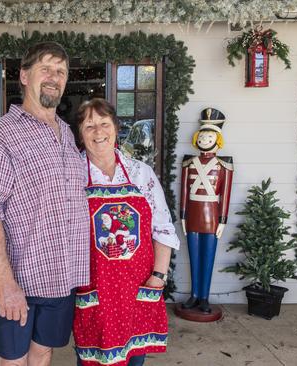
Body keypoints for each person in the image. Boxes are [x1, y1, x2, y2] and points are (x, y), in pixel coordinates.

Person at [0, 42, 90, 366]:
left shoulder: (66, 133)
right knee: (13, 361)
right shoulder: (2, 137)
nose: (54, 77)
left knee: (43, 353)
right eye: (45, 68)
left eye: (60, 71)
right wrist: (5, 283)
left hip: (61, 277)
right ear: (24, 75)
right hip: (19, 278)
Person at [73, 98, 180, 366]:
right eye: (89, 126)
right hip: (94, 287)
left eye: (104, 124)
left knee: (135, 357)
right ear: (80, 134)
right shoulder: (71, 174)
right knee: (91, 359)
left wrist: (159, 275)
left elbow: (163, 227)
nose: (98, 132)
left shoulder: (140, 173)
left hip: (137, 287)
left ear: (116, 128)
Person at [180, 108, 233, 314]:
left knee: (208, 257)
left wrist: (223, 221)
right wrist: (183, 216)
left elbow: (226, 194)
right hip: (192, 214)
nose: (205, 139)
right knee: (194, 256)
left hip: (212, 215)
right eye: (202, 135)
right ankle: (194, 295)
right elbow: (184, 190)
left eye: (209, 135)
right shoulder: (189, 162)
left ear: (217, 139)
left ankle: (204, 297)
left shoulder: (223, 164)